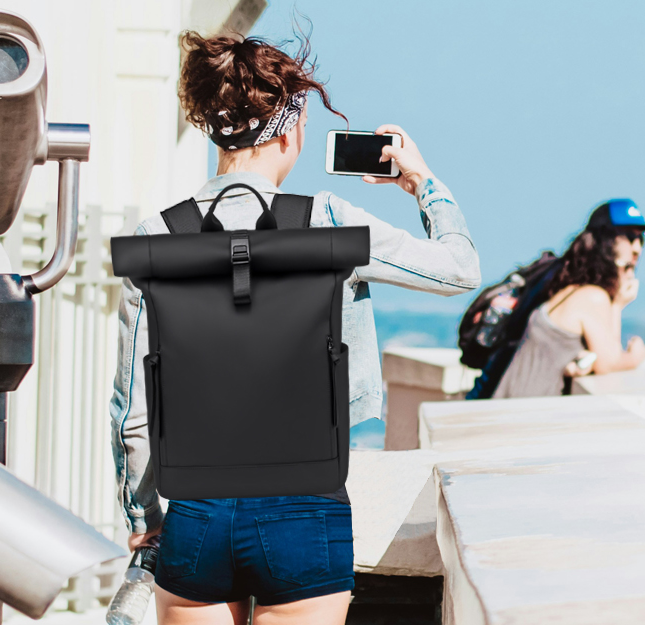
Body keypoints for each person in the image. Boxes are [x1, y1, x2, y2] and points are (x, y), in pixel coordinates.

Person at [107, 31, 480, 624]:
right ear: (289, 130)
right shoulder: (328, 223)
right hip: (306, 511)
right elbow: (460, 270)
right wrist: (421, 183)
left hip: (197, 517)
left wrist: (145, 522)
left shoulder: (155, 239)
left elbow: (134, 409)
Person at [491, 199, 645, 398]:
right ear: (605, 241)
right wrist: (635, 355)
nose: (637, 249)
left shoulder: (571, 290)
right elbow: (609, 362)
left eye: (641, 240)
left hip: (515, 406)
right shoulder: (592, 297)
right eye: (630, 238)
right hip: (524, 415)